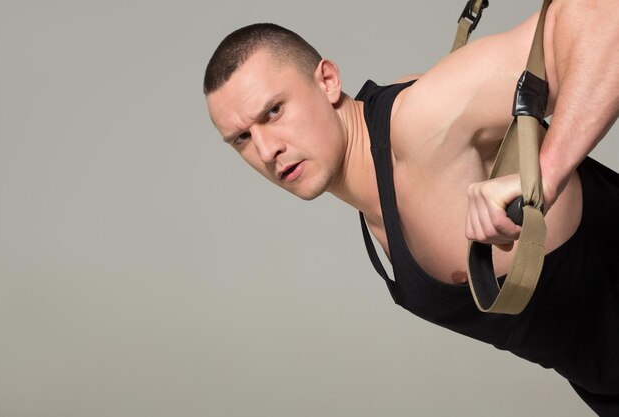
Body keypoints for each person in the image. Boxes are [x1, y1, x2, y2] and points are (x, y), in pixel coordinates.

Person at [204, 1, 619, 415]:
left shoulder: (423, 121)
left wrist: (544, 177)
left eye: (274, 111)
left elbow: (602, 12)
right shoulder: (371, 198)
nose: (266, 149)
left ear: (328, 80)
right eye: (241, 138)